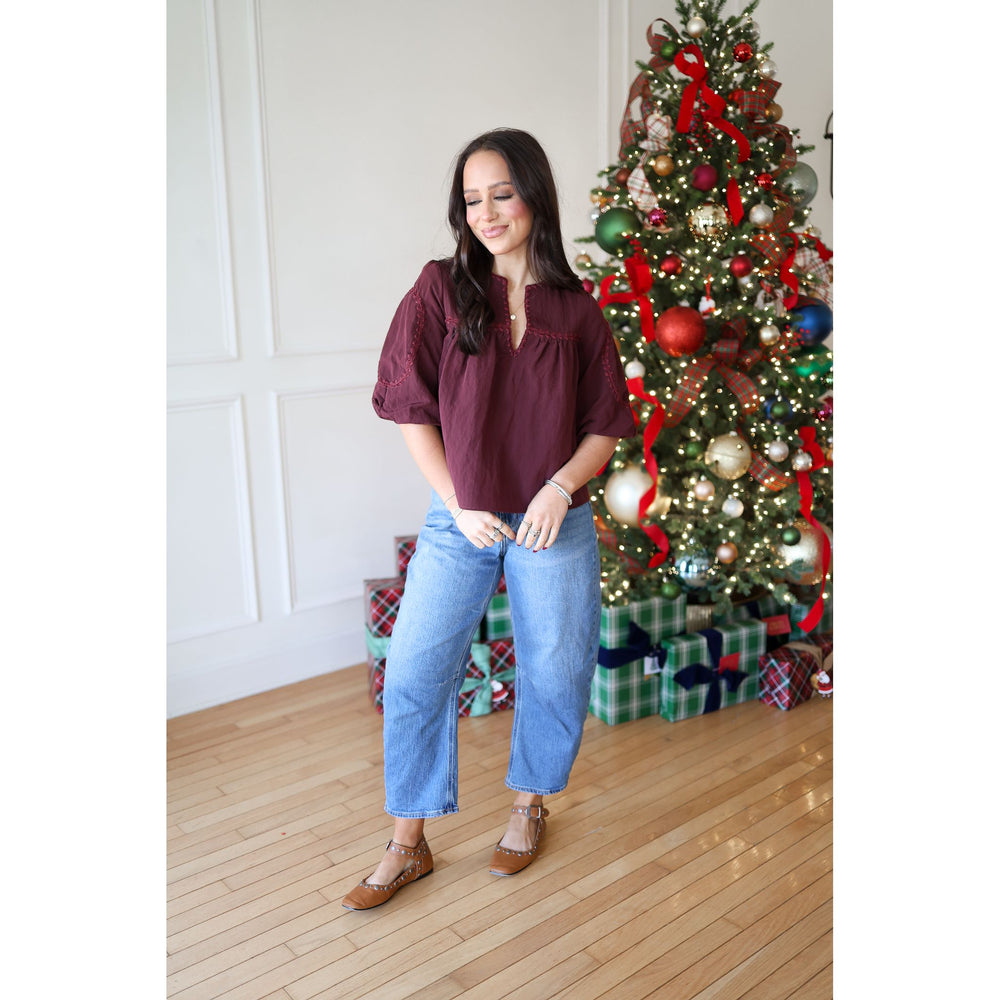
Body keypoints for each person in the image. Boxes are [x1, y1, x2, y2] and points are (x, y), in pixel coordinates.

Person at [342, 128, 636, 911]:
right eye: (471, 199)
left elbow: (605, 422)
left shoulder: (577, 310)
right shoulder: (440, 289)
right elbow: (410, 408)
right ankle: (409, 842)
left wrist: (561, 487)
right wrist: (456, 501)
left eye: (501, 192)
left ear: (534, 193)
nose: (486, 212)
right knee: (413, 674)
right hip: (461, 516)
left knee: (557, 667)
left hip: (552, 519)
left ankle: (528, 804)